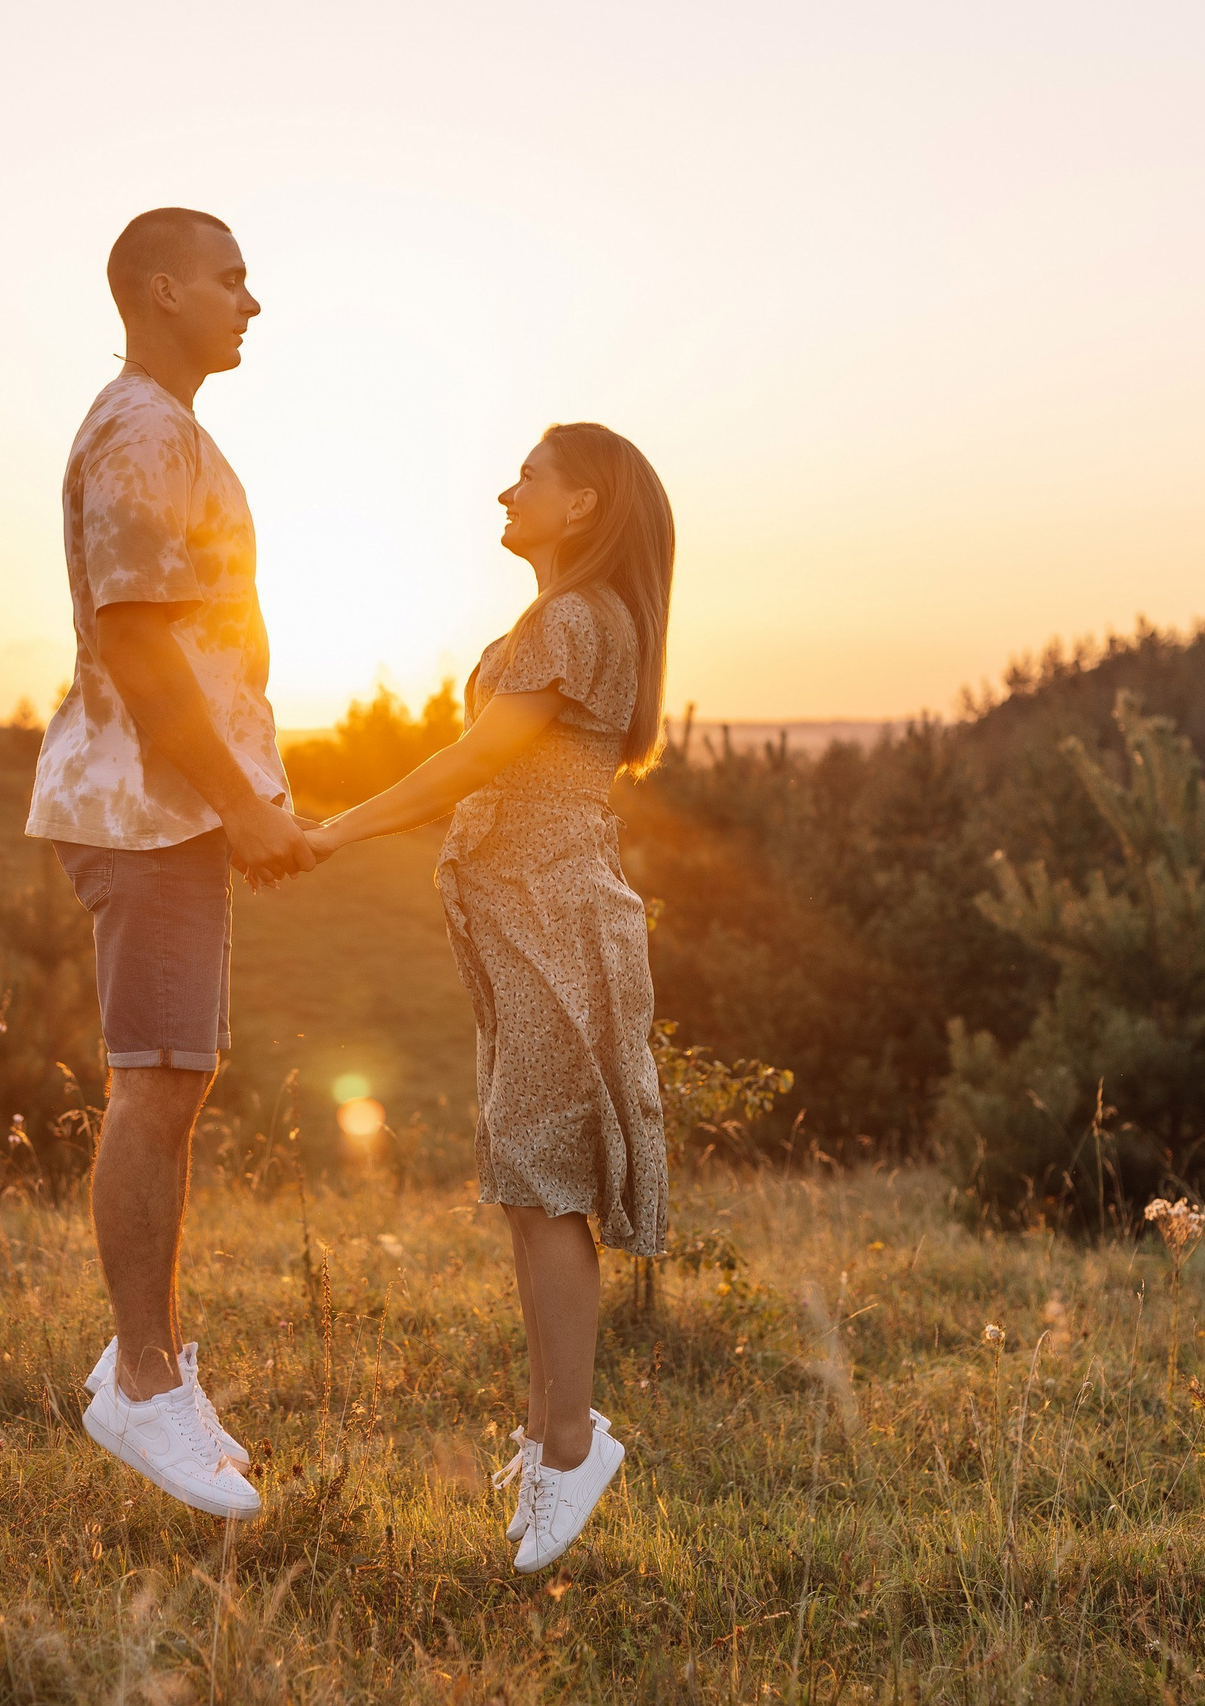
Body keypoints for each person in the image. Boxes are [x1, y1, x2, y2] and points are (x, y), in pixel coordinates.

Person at [305, 422, 674, 1572]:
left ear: (584, 502)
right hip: (526, 917)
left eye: (531, 476)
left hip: (554, 918)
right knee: (530, 1183)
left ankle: (570, 1449)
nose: (505, 489)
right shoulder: (566, 618)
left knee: (542, 1181)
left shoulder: (573, 621)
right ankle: (553, 1438)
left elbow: (473, 760)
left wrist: (337, 828)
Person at [27, 207, 315, 1520]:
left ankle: (142, 1364)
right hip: (150, 815)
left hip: (165, 812)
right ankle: (142, 1384)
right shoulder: (145, 431)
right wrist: (241, 803)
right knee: (153, 1085)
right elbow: (143, 650)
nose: (251, 300)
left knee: (172, 1082)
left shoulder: (164, 427)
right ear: (159, 288)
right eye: (230, 277)